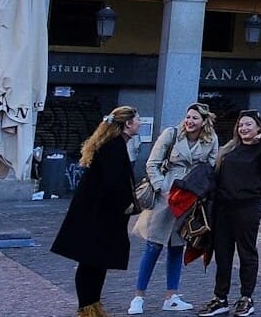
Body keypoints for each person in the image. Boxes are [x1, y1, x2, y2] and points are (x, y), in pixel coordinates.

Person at [128, 103, 219, 315]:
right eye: (188, 117)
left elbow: (211, 169)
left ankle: (171, 296)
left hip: (189, 197)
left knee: (177, 247)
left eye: (195, 118)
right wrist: (161, 188)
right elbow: (152, 163)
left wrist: (201, 192)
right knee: (154, 246)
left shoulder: (211, 139)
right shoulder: (171, 134)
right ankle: (138, 296)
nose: (190, 121)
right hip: (166, 196)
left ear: (204, 121)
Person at [51, 106, 140, 317]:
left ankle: (92, 305)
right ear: (127, 123)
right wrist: (126, 202)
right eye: (137, 120)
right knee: (92, 262)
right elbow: (114, 183)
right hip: (99, 216)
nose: (140, 123)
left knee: (95, 262)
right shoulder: (113, 147)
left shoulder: (112, 145)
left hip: (97, 214)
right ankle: (87, 307)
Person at [199, 109, 261, 317]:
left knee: (246, 253)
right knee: (223, 254)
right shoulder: (230, 149)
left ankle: (246, 297)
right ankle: (220, 298)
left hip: (247, 207)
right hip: (223, 208)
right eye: (241, 125)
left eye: (249, 125)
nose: (244, 128)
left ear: (258, 128)